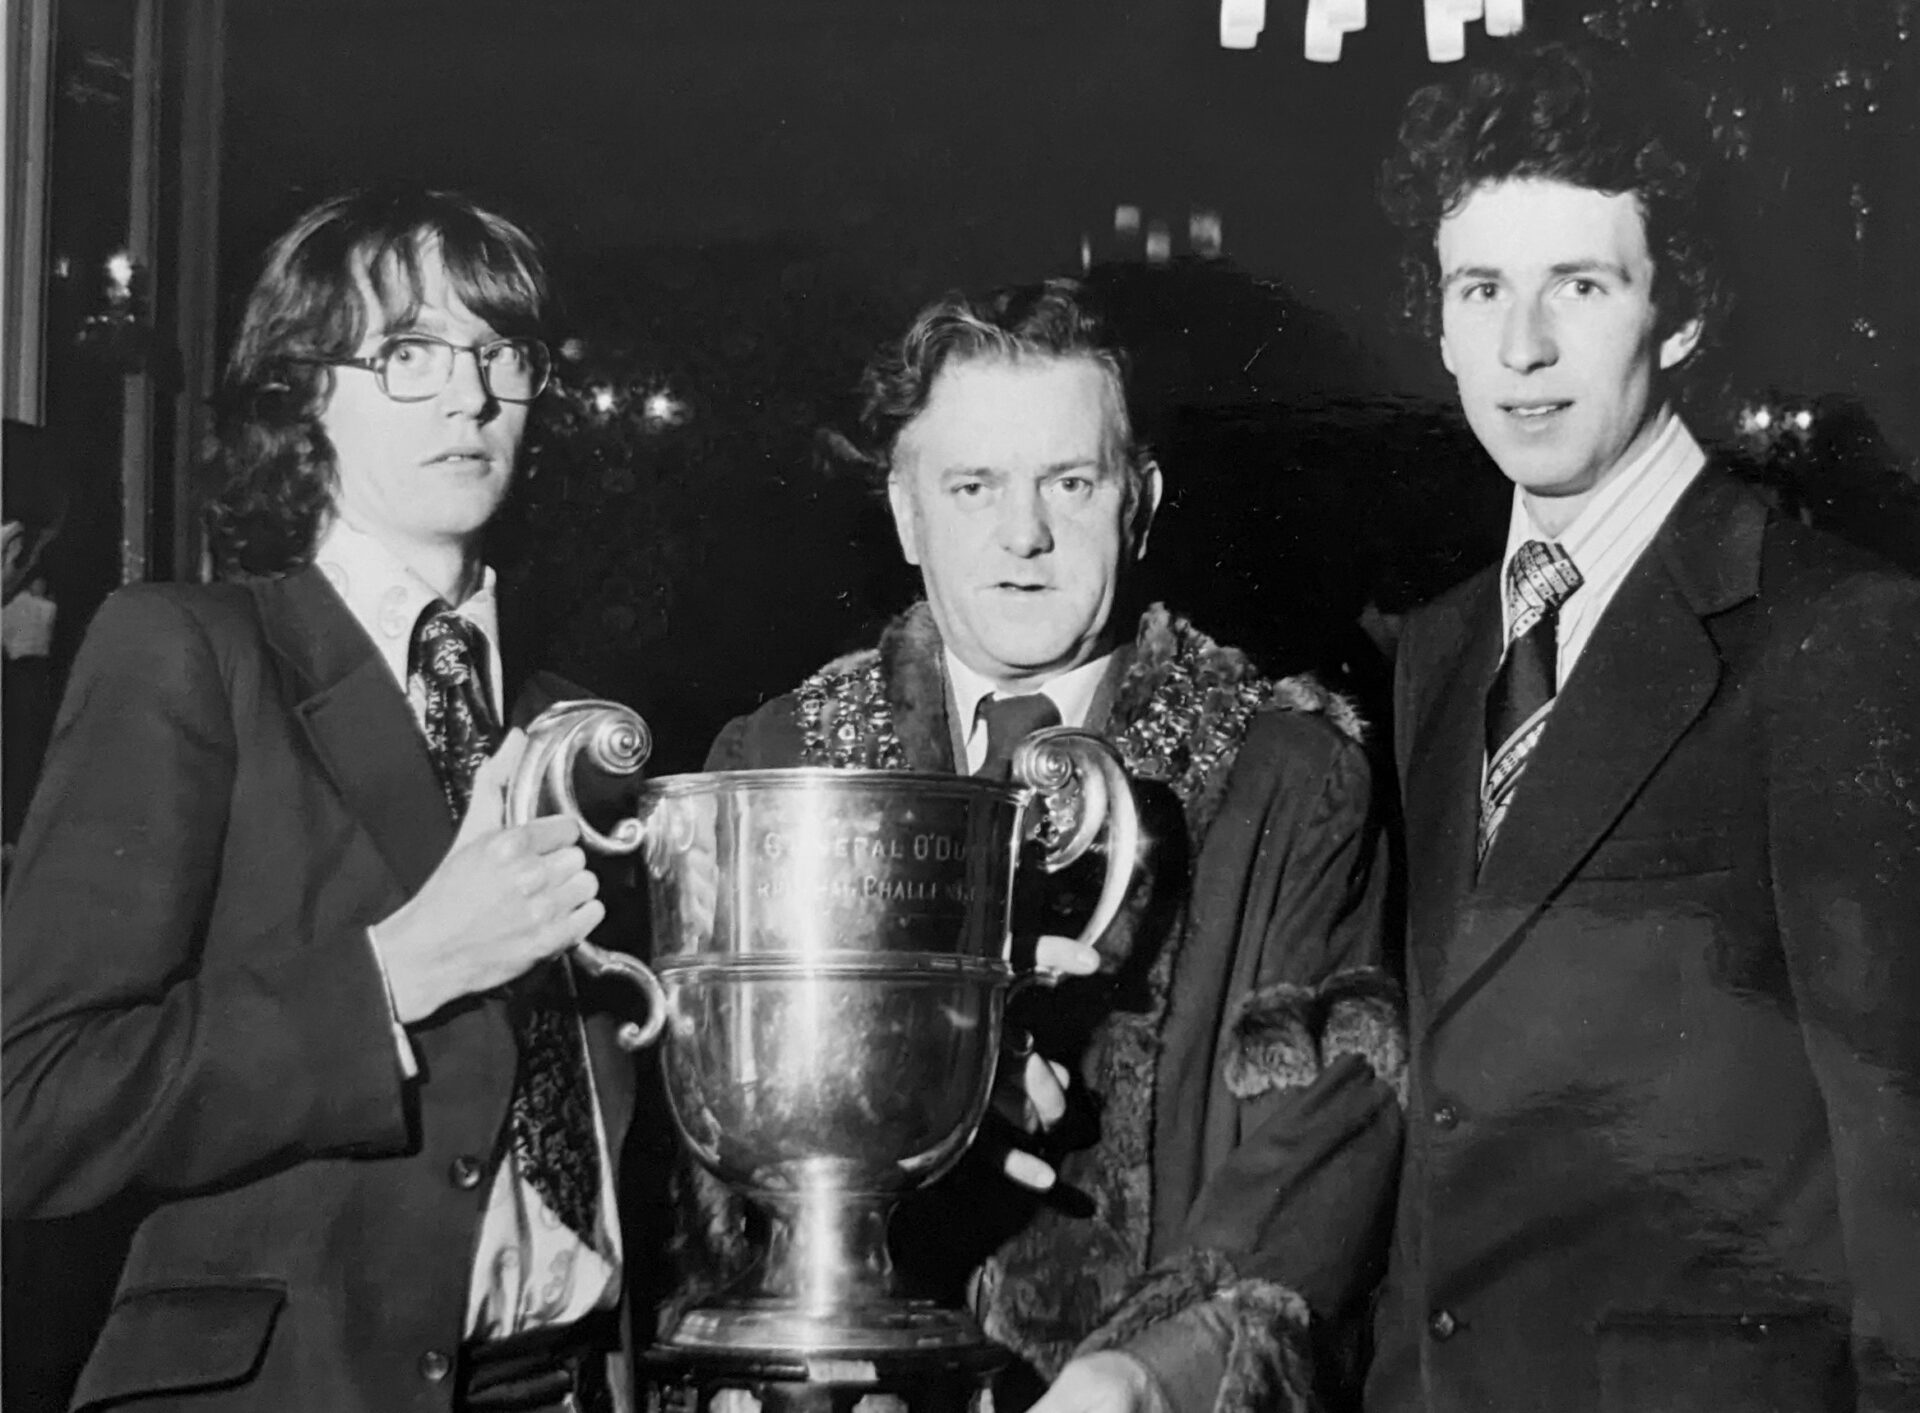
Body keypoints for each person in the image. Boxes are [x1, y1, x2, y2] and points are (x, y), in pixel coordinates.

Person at [702, 280, 1405, 1413]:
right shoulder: (784, 764)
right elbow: (710, 1156)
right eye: (972, 486)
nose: (1023, 535)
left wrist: (1148, 1377)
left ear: (1141, 502)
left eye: (1070, 483)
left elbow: (1327, 1138)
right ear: (906, 513)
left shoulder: (1286, 777)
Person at [3, 188, 638, 1412]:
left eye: (503, 354)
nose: (471, 396)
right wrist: (393, 975)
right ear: (302, 395)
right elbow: (25, 1102)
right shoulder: (191, 652)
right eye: (409, 353)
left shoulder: (570, 721)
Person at [1369, 43, 1920, 1411]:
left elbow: (1900, 1158)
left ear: (1680, 314)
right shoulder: (1441, 649)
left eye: (1581, 285)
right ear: (1438, 324)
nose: (1523, 348)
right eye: (1481, 289)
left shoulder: (1832, 628)